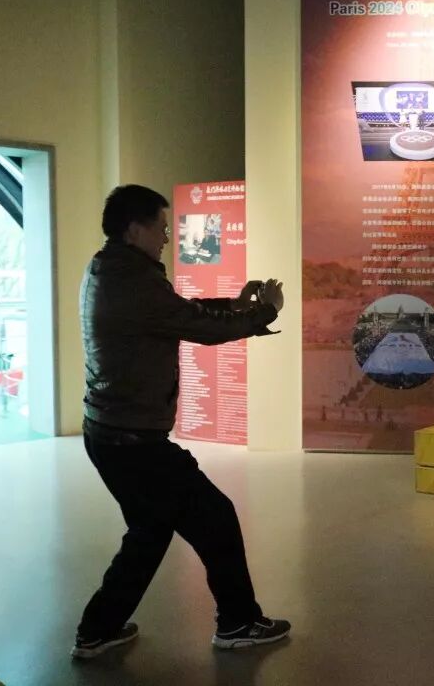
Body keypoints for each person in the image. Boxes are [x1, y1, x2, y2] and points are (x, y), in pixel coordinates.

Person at [73, 185, 290, 659]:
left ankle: (97, 630)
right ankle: (238, 622)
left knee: (149, 532)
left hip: (110, 433)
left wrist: (236, 305)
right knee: (216, 518)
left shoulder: (110, 269)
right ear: (135, 229)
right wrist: (264, 311)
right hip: (136, 443)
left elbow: (177, 313)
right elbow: (197, 326)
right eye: (162, 227)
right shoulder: (132, 281)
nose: (168, 237)